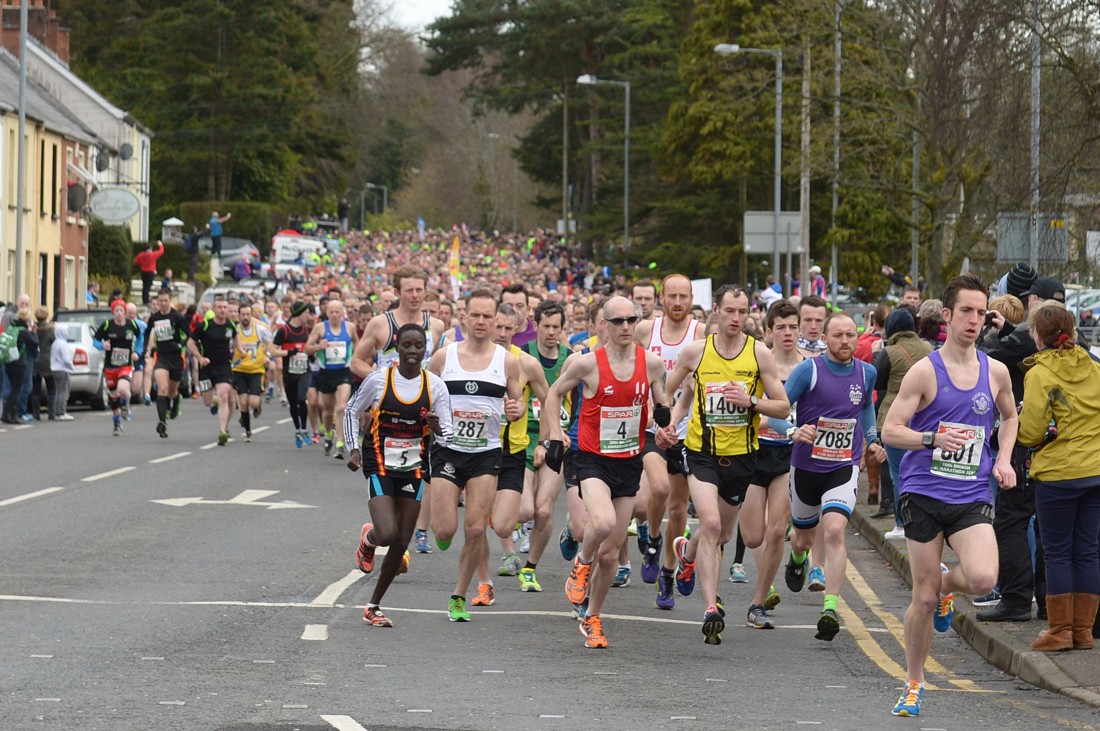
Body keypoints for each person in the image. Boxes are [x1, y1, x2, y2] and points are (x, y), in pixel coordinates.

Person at [882, 273, 1018, 717]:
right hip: (923, 492)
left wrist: (1003, 460)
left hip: (971, 492)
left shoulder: (994, 370)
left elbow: (1010, 416)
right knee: (920, 599)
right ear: (947, 315)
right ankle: (914, 683)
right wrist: (931, 440)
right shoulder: (925, 370)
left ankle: (945, 588)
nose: (974, 320)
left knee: (982, 579)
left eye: (981, 312)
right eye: (966, 311)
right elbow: (891, 430)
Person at [656, 285, 790, 644]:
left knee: (724, 535)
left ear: (749, 314)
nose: (735, 318)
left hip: (743, 456)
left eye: (742, 311)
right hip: (700, 452)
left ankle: (687, 551)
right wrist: (666, 424)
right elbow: (670, 394)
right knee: (711, 523)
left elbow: (783, 407)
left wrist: (751, 402)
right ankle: (710, 608)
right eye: (729, 310)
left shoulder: (759, 354)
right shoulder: (696, 352)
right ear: (716, 310)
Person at [540, 295, 671, 648]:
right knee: (602, 523)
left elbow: (662, 398)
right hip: (592, 459)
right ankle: (582, 564)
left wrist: (663, 415)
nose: (626, 327)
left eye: (631, 320)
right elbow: (553, 395)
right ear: (605, 326)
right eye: (618, 322)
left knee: (612, 554)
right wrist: (554, 435)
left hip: (628, 460)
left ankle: (593, 616)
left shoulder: (652, 363)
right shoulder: (586, 364)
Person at [782, 311, 886, 642]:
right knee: (802, 536)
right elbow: (776, 411)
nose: (845, 341)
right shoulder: (807, 370)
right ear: (824, 338)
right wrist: (793, 430)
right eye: (837, 335)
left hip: (843, 465)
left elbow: (866, 408)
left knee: (836, 530)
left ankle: (830, 607)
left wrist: (872, 439)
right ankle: (797, 558)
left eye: (850, 335)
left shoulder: (866, 372)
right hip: (806, 467)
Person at [427, 289, 525, 622]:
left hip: (486, 453)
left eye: (488, 316)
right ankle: (441, 534)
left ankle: (459, 596)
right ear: (464, 317)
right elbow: (425, 394)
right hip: (447, 450)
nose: (481, 322)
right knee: (444, 530)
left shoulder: (507, 361)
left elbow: (518, 403)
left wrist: (515, 408)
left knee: (474, 530)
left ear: (496, 320)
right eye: (476, 315)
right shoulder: (444, 357)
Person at [345, 324, 453, 627]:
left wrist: (437, 429)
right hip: (379, 463)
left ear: (425, 350)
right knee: (388, 533)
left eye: (419, 346)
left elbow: (449, 436)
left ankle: (373, 605)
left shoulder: (435, 387)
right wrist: (354, 449)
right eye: (407, 345)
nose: (413, 351)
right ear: (397, 348)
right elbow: (352, 411)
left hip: (414, 468)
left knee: (402, 541)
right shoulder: (379, 380)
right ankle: (370, 538)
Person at [977, 275, 1067, 622]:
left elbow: (985, 358)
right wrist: (1009, 328)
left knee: (1012, 520)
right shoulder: (1079, 349)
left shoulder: (1024, 346)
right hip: (1068, 452)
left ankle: (1015, 599)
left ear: (1033, 303)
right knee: (1050, 528)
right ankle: (1048, 603)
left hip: (1025, 443)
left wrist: (996, 334)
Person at [1017, 302, 1100, 652]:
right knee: (1088, 552)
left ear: (1038, 335)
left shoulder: (1039, 373)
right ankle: (1083, 631)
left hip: (1058, 474)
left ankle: (1060, 631)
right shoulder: (1094, 367)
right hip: (1095, 470)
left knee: (1058, 554)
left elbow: (1031, 431)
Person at [633, 274, 704, 610]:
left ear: (691, 298)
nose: (677, 302)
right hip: (651, 426)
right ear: (662, 298)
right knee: (658, 489)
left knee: (678, 510)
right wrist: (649, 416)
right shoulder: (646, 330)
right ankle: (651, 537)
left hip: (688, 432)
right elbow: (633, 372)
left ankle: (667, 573)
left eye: (683, 296)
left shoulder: (701, 335)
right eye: (672, 296)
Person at [740, 299, 804, 628]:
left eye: (793, 326)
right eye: (781, 327)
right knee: (753, 537)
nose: (788, 333)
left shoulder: (808, 368)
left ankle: (757, 602)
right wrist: (774, 420)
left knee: (778, 530)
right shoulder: (757, 366)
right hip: (754, 452)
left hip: (788, 456)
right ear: (769, 332)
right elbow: (751, 414)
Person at [872, 308, 933, 537]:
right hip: (925, 419)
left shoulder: (889, 351)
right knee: (923, 472)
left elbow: (877, 383)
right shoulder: (928, 348)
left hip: (895, 416)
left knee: (899, 473)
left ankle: (901, 523)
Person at [306, 300, 358, 458]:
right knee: (328, 411)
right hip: (326, 373)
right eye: (331, 312)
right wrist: (318, 347)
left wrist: (357, 358)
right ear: (326, 313)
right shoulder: (320, 328)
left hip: (344, 372)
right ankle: (328, 434)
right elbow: (307, 348)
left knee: (342, 407)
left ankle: (340, 442)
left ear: (342, 312)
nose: (335, 315)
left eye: (337, 311)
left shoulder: (349, 327)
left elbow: (358, 343)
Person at [187, 296, 239, 445]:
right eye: (220, 307)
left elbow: (236, 337)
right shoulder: (205, 326)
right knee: (207, 401)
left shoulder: (230, 325)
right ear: (214, 309)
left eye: (225, 307)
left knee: (224, 395)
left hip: (224, 365)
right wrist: (200, 358)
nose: (223, 310)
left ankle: (223, 430)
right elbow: (190, 343)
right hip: (206, 367)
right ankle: (213, 402)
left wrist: (239, 349)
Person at [146, 287, 191, 437]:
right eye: (161, 301)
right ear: (157, 302)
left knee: (171, 392)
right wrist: (149, 349)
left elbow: (189, 335)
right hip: (162, 357)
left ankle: (176, 399)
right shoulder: (155, 318)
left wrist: (181, 345)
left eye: (166, 301)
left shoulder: (177, 317)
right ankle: (162, 422)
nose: (163, 304)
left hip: (176, 358)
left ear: (170, 301)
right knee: (162, 388)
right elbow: (147, 333)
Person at [93, 300, 140, 435]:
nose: (119, 314)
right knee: (113, 396)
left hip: (126, 364)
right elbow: (95, 340)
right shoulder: (107, 325)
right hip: (111, 366)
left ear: (125, 312)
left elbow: (141, 337)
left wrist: (137, 351)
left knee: (123, 389)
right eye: (116, 311)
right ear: (113, 312)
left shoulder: (132, 325)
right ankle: (117, 422)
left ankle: (125, 405)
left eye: (121, 311)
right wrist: (102, 346)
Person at [270, 302, 314, 447]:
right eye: (306, 313)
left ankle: (304, 429)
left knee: (302, 397)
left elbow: (312, 349)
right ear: (299, 314)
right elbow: (273, 350)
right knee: (293, 403)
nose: (308, 316)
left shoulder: (308, 331)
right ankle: (297, 430)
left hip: (304, 372)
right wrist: (288, 353)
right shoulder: (284, 331)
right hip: (289, 373)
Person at [232, 303, 273, 443]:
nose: (245, 317)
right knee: (243, 402)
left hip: (256, 369)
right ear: (238, 316)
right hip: (239, 369)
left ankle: (258, 406)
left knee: (253, 402)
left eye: (248, 314)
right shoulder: (235, 330)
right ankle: (248, 432)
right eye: (242, 314)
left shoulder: (259, 329)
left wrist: (267, 354)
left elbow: (271, 338)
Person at [1, 308, 38, 424]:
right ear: (27, 319)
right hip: (20, 363)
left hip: (8, 362)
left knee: (12, 389)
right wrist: (33, 332)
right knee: (17, 390)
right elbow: (35, 343)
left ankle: (5, 414)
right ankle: (12, 415)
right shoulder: (23, 331)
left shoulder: (11, 328)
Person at [50, 323, 74, 421]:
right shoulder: (63, 344)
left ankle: (56, 412)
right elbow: (66, 359)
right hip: (63, 369)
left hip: (55, 369)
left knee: (58, 391)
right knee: (64, 391)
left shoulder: (55, 343)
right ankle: (61, 412)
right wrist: (72, 367)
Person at [133, 240, 165, 305]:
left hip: (143, 271)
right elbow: (161, 251)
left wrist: (141, 264)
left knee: (145, 286)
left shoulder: (141, 254)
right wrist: (160, 245)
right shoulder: (152, 255)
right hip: (150, 272)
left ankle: (145, 299)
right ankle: (146, 301)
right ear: (150, 248)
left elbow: (135, 261)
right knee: (148, 286)